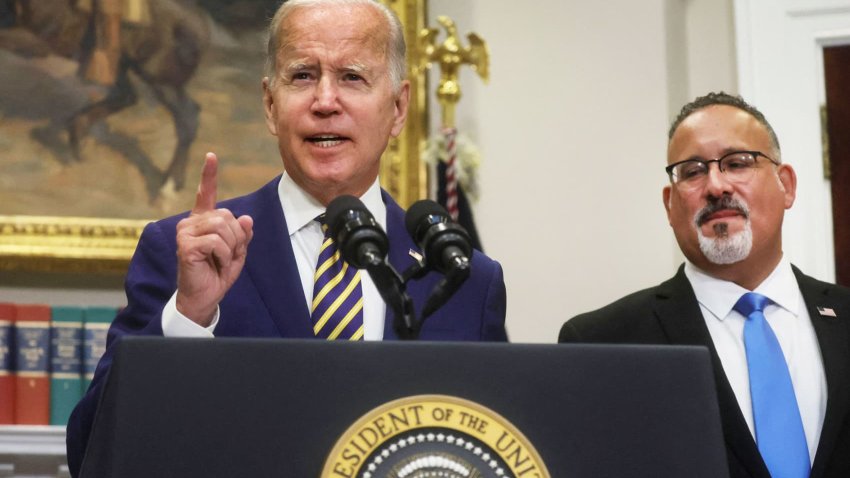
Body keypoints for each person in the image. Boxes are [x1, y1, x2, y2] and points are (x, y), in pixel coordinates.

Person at [65, 0, 508, 475]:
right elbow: (93, 450)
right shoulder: (183, 251)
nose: (324, 101)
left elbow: (497, 450)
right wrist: (189, 318)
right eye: (301, 76)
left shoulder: (465, 279)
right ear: (271, 105)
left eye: (352, 77)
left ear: (398, 108)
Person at [559, 92, 850, 478]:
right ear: (669, 204)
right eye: (692, 171)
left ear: (787, 185)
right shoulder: (601, 342)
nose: (715, 186)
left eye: (737, 163)